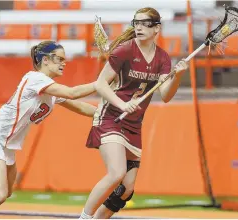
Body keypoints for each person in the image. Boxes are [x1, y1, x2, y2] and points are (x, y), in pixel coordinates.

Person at [0, 40, 97, 219]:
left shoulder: (49, 89)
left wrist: (110, 113)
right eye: (59, 59)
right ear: (45, 60)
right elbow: (72, 93)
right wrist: (100, 84)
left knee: (5, 191)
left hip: (7, 145)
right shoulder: (35, 78)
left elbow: (81, 107)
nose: (64, 63)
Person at [79, 7, 189, 219]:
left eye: (144, 23)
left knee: (126, 189)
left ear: (156, 28)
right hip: (111, 117)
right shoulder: (124, 50)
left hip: (134, 125)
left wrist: (178, 76)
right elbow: (101, 84)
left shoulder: (163, 59)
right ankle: (83, 217)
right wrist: (121, 104)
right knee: (116, 173)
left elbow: (165, 95)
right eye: (135, 23)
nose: (138, 27)